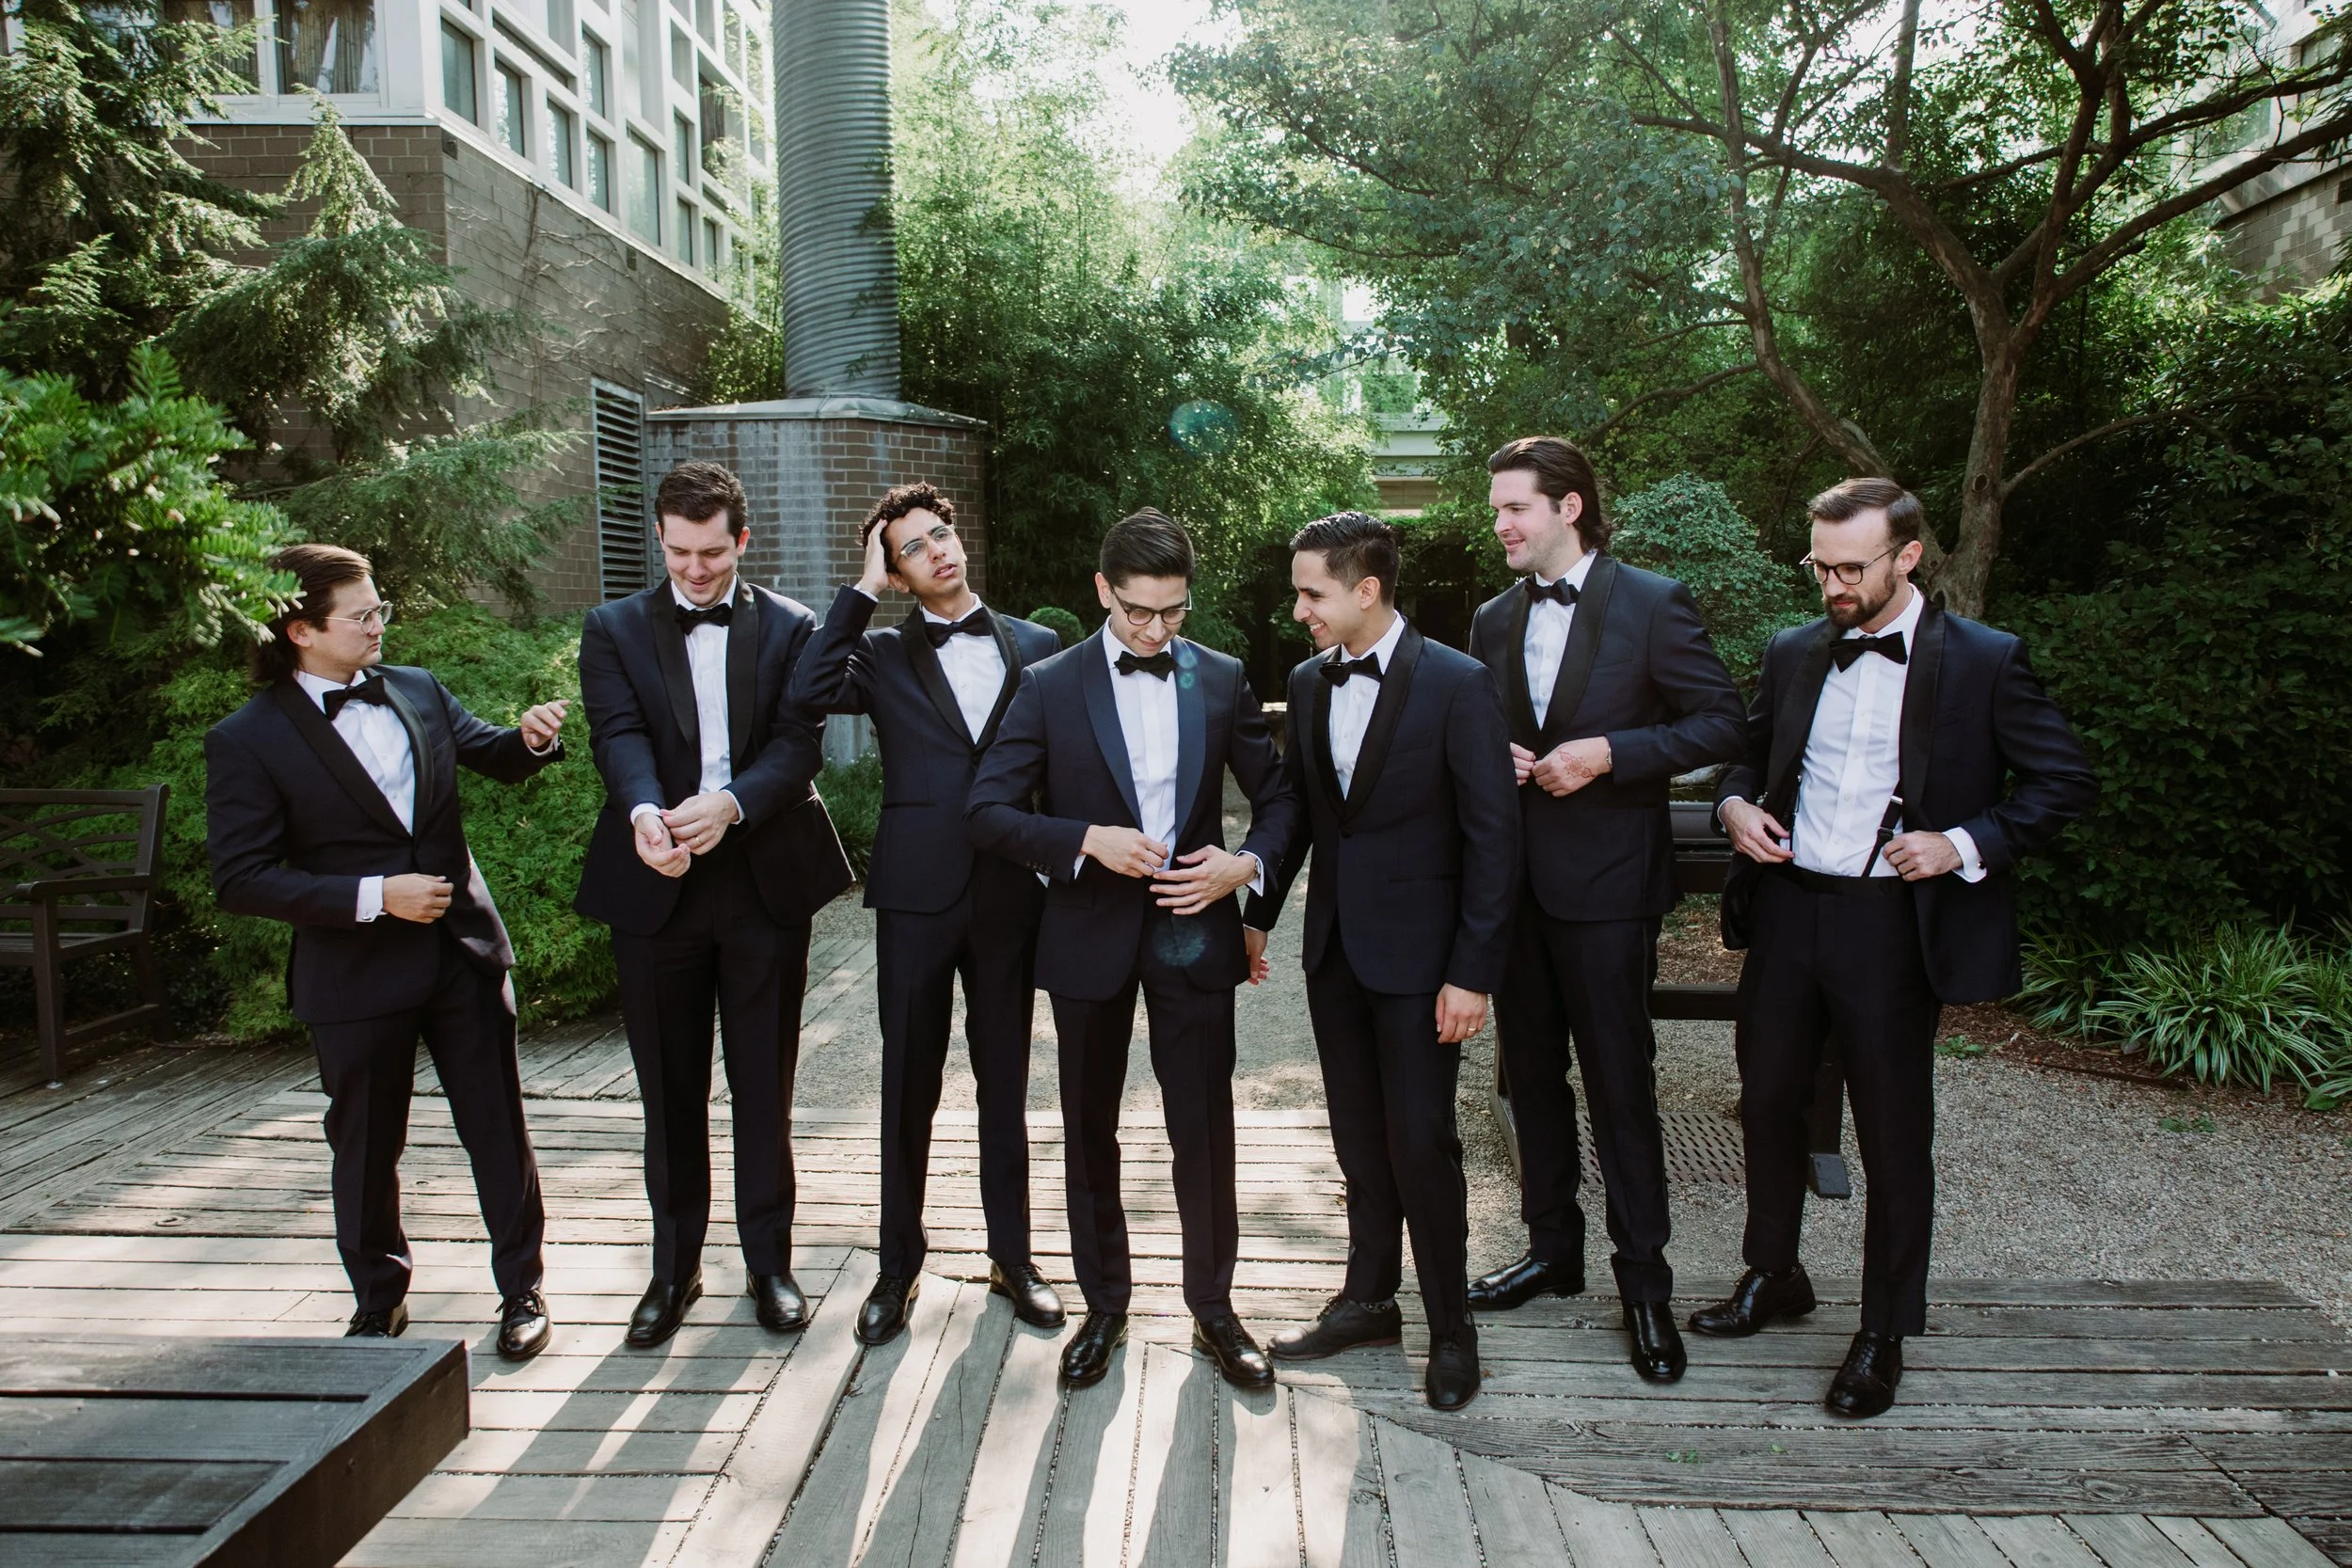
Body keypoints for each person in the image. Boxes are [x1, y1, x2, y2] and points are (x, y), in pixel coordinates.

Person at [1696, 478, 2094, 1418]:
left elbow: (2064, 781)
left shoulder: (1986, 659)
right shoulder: (1793, 649)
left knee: (1891, 1132)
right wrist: (1735, 805)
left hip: (1891, 926)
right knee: (1767, 1102)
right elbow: (1748, 754)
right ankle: (1774, 1272)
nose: (1832, 584)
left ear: (1907, 556)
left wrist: (1961, 843)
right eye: (1820, 565)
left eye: (1851, 568)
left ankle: (1883, 1329)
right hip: (1790, 909)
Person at [206, 544, 566, 1360]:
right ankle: (378, 1302)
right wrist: (375, 895)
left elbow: (495, 755)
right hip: (354, 971)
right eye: (361, 615)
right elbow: (241, 878)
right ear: (301, 630)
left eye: (381, 609)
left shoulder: (417, 688)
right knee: (366, 1146)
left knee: (498, 1128)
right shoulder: (247, 738)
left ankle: (522, 1288)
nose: (378, 626)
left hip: (462, 951)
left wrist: (531, 739)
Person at [967, 509, 1300, 1391]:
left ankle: (1214, 1307)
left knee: (1204, 1127)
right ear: (1102, 591)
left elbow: (1280, 799)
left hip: (1196, 929)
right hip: (1086, 931)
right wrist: (1084, 839)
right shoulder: (1047, 684)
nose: (1157, 629)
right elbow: (987, 809)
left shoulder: (1219, 675)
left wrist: (1244, 866)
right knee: (1089, 1128)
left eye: (1174, 610)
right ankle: (1104, 1303)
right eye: (1139, 611)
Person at [1464, 436, 1747, 1384]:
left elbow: (1721, 722)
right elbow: (1476, 728)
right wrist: (1493, 754)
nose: (1500, 524)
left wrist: (1610, 754)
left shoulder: (1654, 602)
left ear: (1569, 506)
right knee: (1533, 1082)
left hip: (1611, 892)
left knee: (1621, 1088)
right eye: (1497, 509)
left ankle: (1644, 1286)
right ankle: (1552, 1251)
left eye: (1514, 507)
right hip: (1515, 891)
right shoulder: (1492, 618)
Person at [574, 461, 853, 1349]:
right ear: (660, 539)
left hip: (763, 881)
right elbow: (616, 733)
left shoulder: (791, 626)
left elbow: (799, 744)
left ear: (743, 540)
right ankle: (674, 1268)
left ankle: (770, 1264)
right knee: (669, 1090)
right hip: (656, 883)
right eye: (679, 552)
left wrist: (733, 803)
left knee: (764, 1085)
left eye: (712, 552)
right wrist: (644, 811)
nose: (695, 570)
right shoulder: (612, 627)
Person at [1248, 514, 1518, 1411]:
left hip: (1424, 965)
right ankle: (1368, 1301)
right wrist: (1256, 912)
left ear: (1366, 590)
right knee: (1360, 1141)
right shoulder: (1307, 682)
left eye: (1312, 593)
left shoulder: (1459, 683)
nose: (1299, 610)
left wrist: (1472, 972)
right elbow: (1296, 808)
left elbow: (1494, 838)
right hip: (1335, 955)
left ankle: (1451, 1327)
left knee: (1422, 1143)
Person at [789, 483, 1066, 1346]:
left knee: (1005, 1083)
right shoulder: (878, 653)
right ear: (898, 574)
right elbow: (804, 691)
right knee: (908, 1082)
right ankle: (897, 1265)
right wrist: (863, 588)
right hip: (915, 895)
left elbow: (1062, 766)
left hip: (1010, 891)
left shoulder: (1038, 644)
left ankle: (1013, 1256)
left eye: (939, 532)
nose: (936, 549)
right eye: (911, 547)